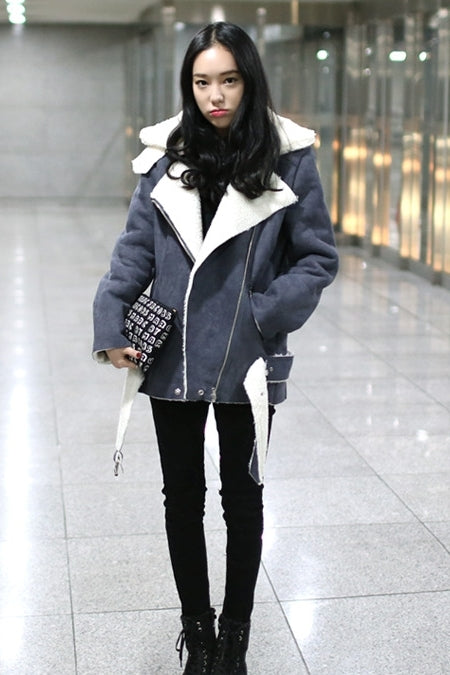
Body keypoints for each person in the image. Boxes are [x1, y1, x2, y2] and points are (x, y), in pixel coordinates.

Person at [93, 21, 338, 675]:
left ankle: (235, 639)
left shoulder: (289, 158)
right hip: (172, 351)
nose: (216, 96)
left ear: (249, 81)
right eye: (202, 82)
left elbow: (316, 257)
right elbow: (133, 252)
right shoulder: (164, 159)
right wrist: (111, 322)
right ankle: (198, 636)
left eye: (229, 80)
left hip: (247, 357)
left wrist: (261, 313)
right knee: (182, 497)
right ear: (190, 86)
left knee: (243, 498)